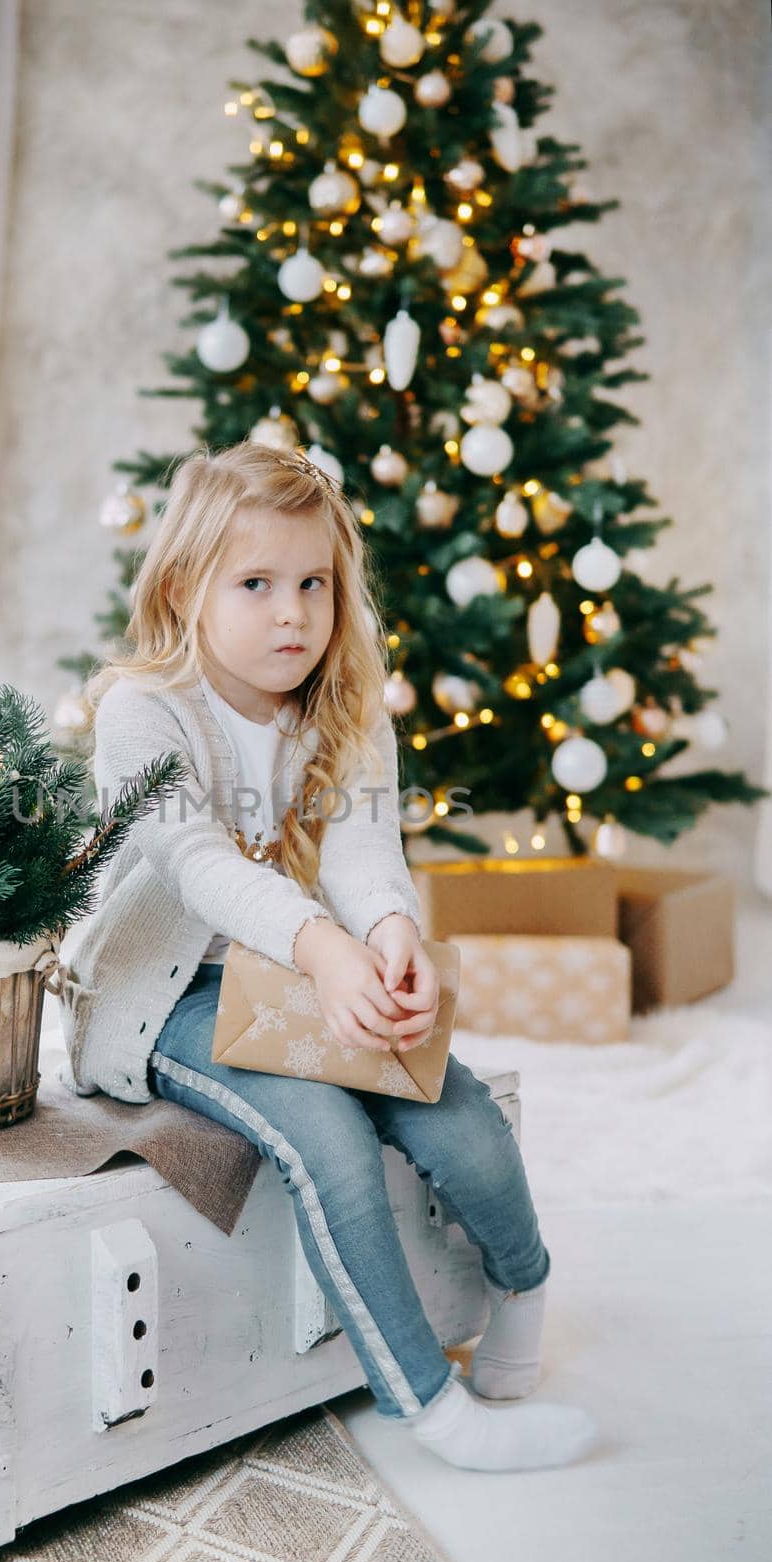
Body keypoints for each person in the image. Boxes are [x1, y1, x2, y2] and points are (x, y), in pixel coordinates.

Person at [67, 439, 598, 1472]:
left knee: (453, 1106)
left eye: (313, 583)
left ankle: (523, 1285)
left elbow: (361, 850)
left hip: (303, 973)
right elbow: (190, 860)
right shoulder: (141, 711)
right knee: (330, 1140)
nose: (291, 614)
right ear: (184, 586)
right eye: (255, 583)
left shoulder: (344, 704)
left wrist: (389, 936)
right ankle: (434, 1411)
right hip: (163, 996)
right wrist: (320, 945)